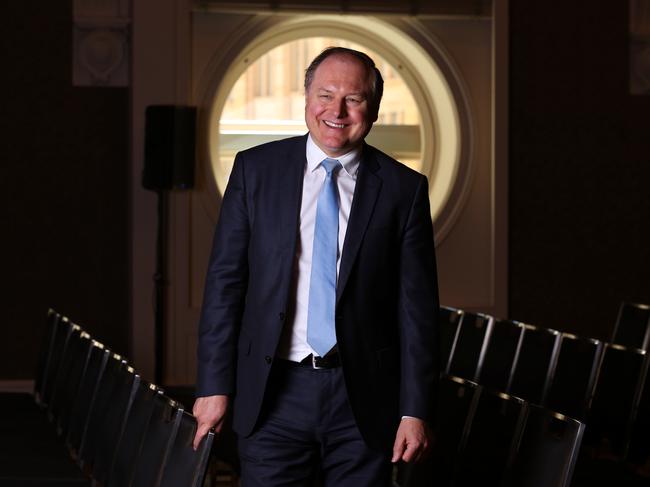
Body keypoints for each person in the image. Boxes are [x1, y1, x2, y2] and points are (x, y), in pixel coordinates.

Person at [192, 46, 440, 486]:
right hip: (272, 392)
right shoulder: (255, 171)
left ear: (374, 109)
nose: (337, 111)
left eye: (354, 99)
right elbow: (224, 286)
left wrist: (415, 409)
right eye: (325, 95)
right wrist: (213, 385)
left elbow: (417, 312)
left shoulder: (404, 190)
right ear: (306, 99)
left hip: (363, 399)